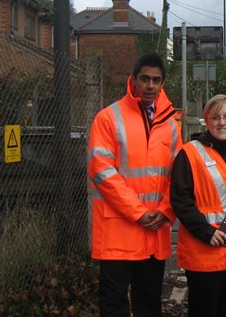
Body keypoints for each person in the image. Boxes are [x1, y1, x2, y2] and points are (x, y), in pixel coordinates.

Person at [87, 53, 183, 317]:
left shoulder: (171, 126)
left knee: (149, 303)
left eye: (156, 80)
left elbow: (179, 175)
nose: (150, 85)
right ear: (134, 80)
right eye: (145, 79)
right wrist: (139, 212)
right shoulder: (108, 118)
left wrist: (166, 211)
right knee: (114, 304)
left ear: (162, 83)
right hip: (119, 231)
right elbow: (102, 171)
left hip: (153, 232)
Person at [170, 94, 226, 317]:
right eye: (216, 117)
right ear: (206, 120)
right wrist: (206, 231)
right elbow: (181, 201)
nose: (222, 122)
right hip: (205, 252)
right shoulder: (189, 153)